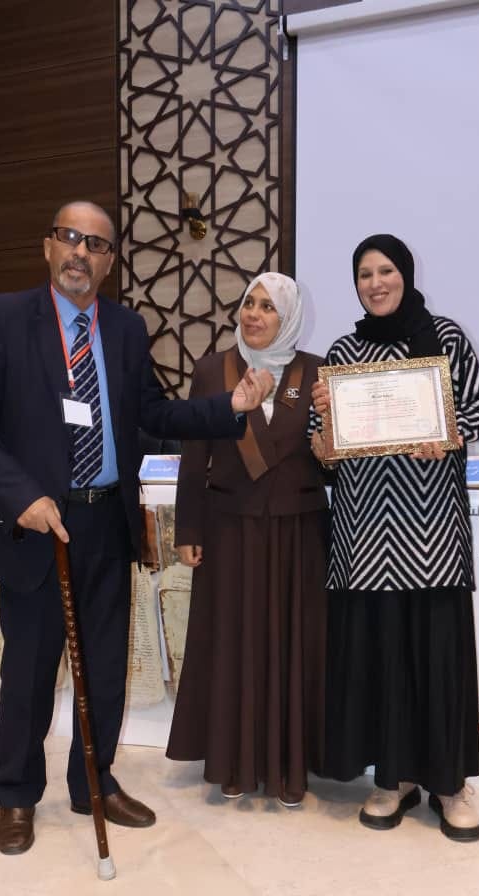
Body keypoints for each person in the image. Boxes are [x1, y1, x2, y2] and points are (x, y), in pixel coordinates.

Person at [0, 201, 274, 856]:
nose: (81, 252)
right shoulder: (5, 318)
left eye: (95, 244)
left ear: (109, 262)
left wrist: (229, 407)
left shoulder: (125, 328)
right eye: (70, 237)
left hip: (105, 520)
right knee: (30, 670)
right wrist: (21, 496)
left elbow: (152, 413)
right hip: (36, 524)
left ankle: (92, 782)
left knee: (103, 669)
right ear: (48, 246)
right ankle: (16, 794)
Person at [311, 233, 479, 842]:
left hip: (431, 533)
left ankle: (449, 785)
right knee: (382, 660)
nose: (375, 283)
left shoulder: (445, 338)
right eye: (364, 274)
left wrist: (447, 432)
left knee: (437, 659)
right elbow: (323, 450)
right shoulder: (343, 352)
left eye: (385, 270)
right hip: (365, 536)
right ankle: (392, 780)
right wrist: (325, 428)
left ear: (406, 274)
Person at [166, 273, 328, 805]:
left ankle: (288, 766)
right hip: (229, 527)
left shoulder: (317, 372)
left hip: (298, 530)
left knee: (291, 645)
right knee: (232, 642)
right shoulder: (213, 370)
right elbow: (195, 455)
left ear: (289, 318)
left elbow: (330, 457)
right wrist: (188, 528)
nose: (254, 314)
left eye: (268, 307)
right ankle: (232, 760)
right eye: (249, 303)